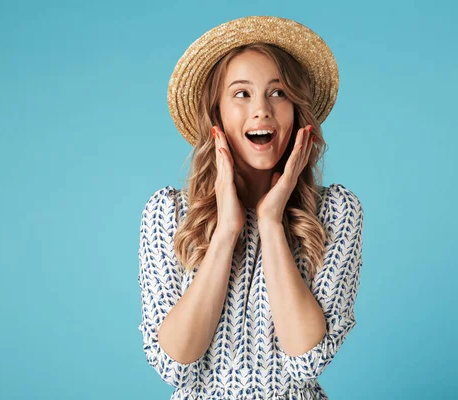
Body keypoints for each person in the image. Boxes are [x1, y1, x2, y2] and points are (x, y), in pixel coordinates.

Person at [138, 16, 364, 400]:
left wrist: (271, 222)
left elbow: (307, 359)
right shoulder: (168, 214)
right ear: (217, 116)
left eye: (278, 93)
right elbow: (174, 363)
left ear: (296, 113)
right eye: (241, 94)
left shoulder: (337, 212)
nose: (261, 110)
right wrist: (227, 229)